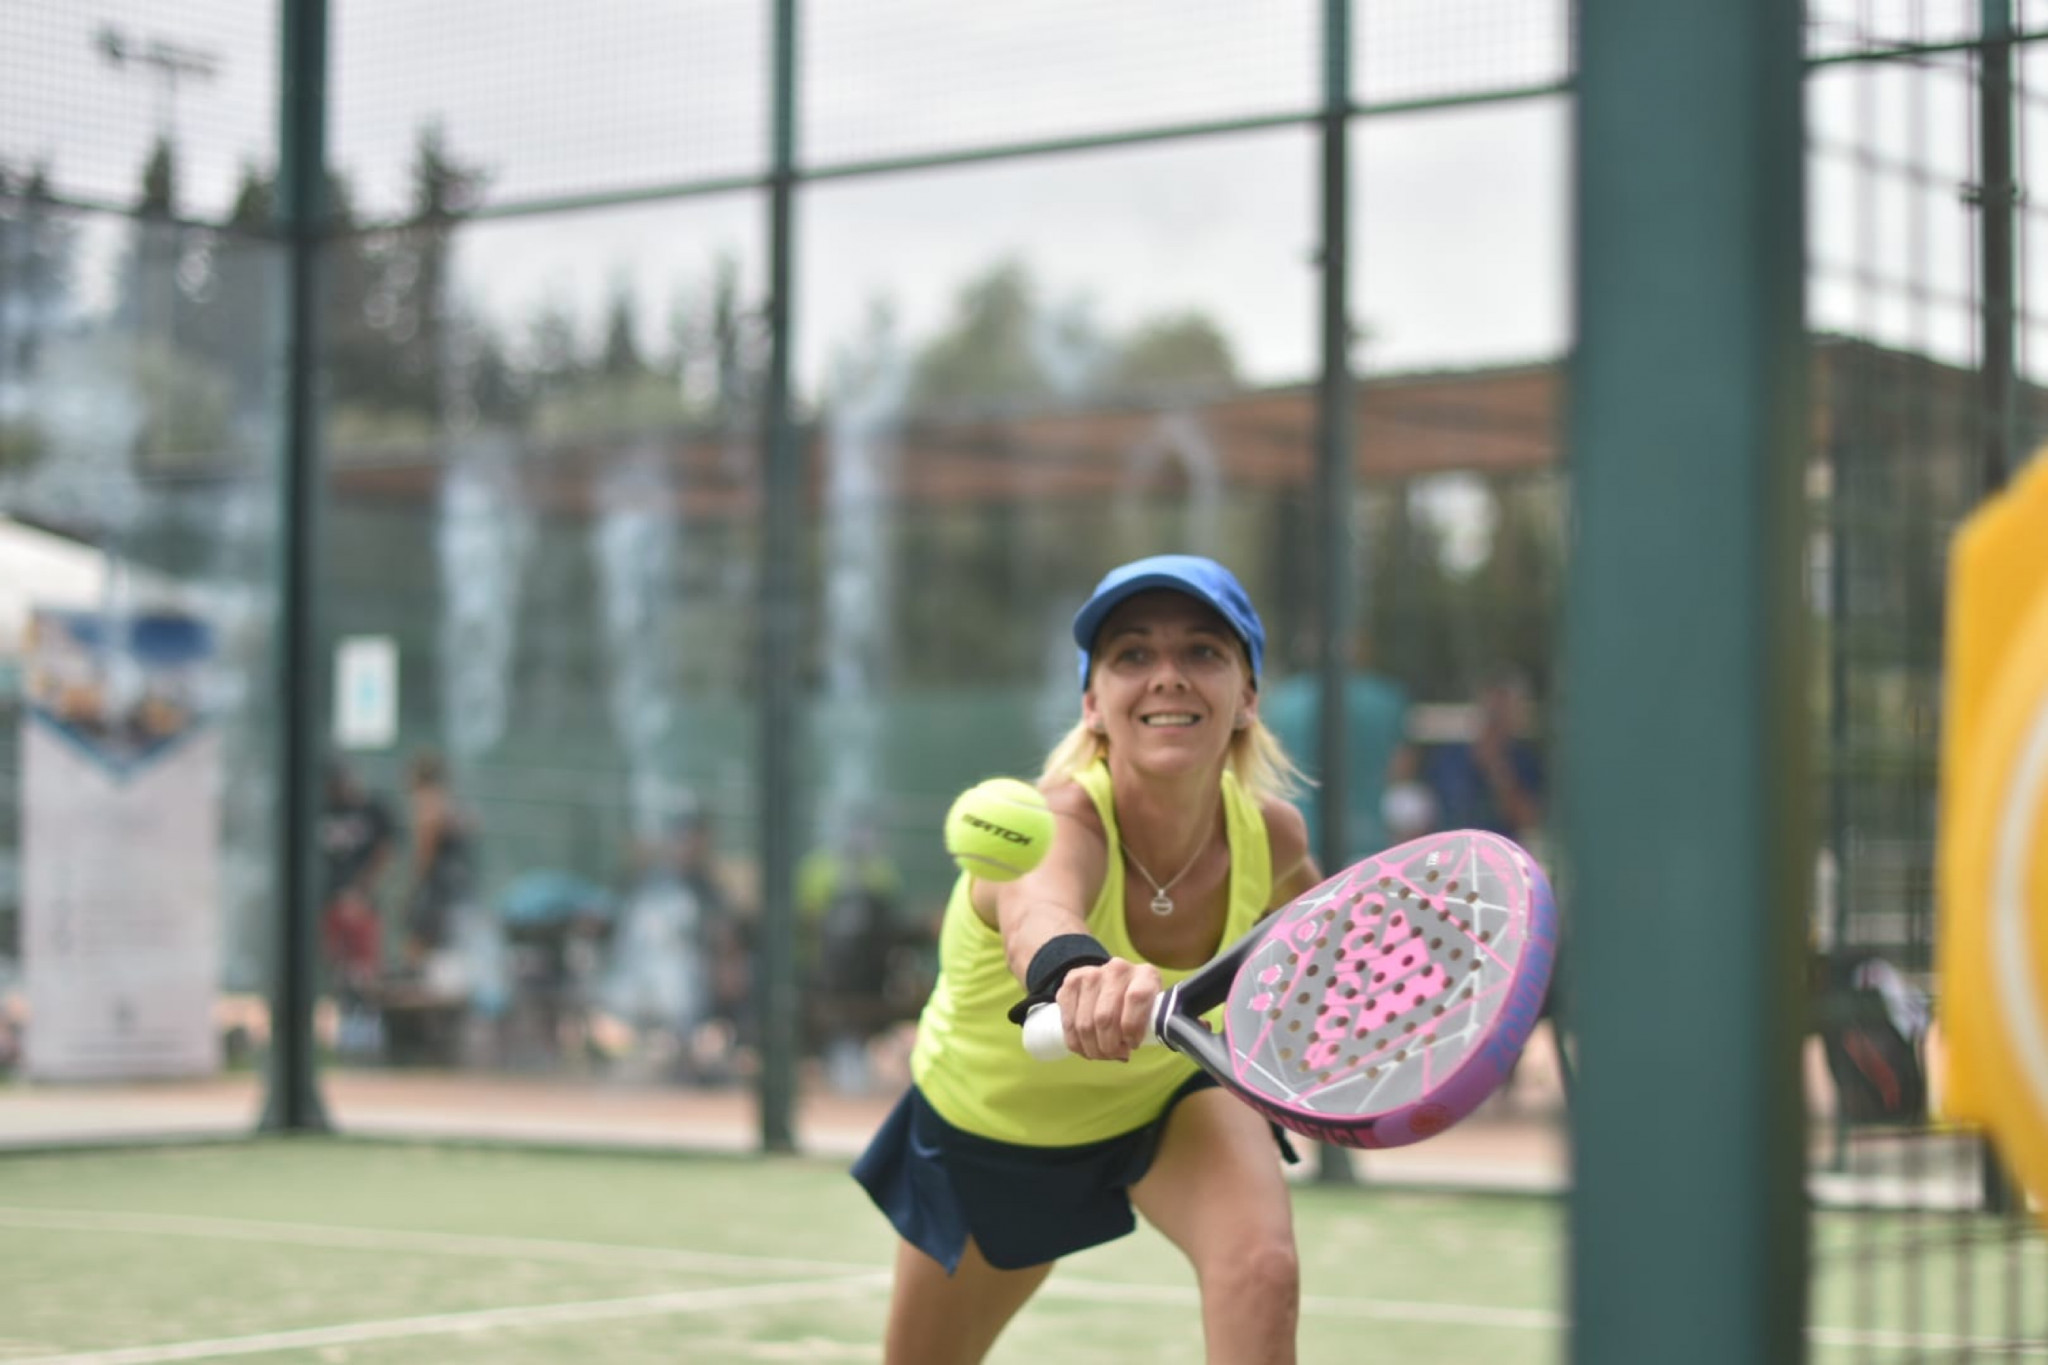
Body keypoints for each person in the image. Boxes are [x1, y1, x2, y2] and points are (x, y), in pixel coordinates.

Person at [852, 553, 1320, 1365]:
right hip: (992, 1126)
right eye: (1132, 654)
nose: (1167, 674)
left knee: (1262, 1269)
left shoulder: (1273, 836)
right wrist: (1080, 976)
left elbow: (1333, 942)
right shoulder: (1049, 823)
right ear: (1093, 703)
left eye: (1202, 650)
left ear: (1247, 696)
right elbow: (1039, 915)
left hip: (1168, 1100)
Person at [1260, 636, 1411, 861]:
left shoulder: (1279, 703)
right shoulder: (1387, 699)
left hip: (1296, 844)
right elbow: (1401, 769)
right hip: (1369, 842)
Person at [318, 760, 397, 1055]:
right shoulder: (321, 809)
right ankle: (347, 1028)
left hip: (363, 902)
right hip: (329, 900)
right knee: (339, 968)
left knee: (365, 969)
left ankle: (370, 1028)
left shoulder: (372, 809)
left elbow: (386, 851)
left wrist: (361, 891)